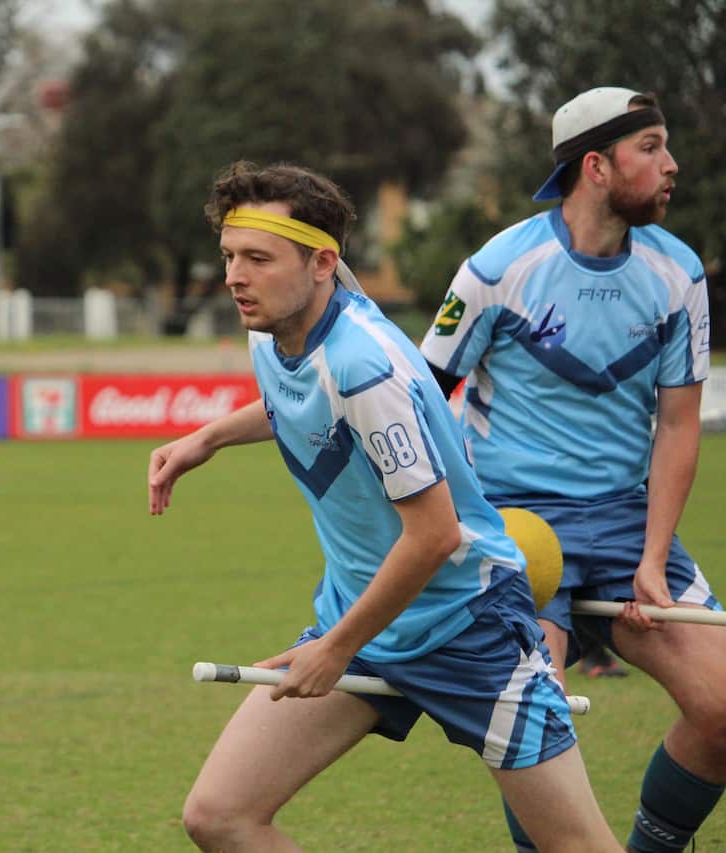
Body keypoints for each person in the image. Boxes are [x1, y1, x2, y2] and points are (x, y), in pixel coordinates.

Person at [148, 161, 621, 852]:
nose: (233, 278)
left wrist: (335, 650)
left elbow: (433, 535)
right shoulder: (272, 331)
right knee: (219, 815)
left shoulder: (365, 364)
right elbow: (300, 403)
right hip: (366, 620)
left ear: (321, 263)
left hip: (470, 629)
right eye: (228, 256)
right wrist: (209, 437)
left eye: (256, 258)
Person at [420, 87, 723, 853]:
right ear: (597, 165)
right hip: (516, 525)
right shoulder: (496, 268)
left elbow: (680, 425)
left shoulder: (678, 273)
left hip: (626, 521)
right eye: (651, 147)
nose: (671, 164)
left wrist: (654, 558)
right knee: (536, 727)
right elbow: (421, 403)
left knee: (723, 707)